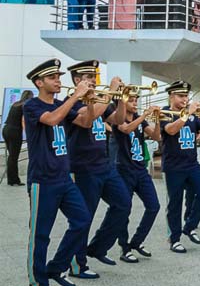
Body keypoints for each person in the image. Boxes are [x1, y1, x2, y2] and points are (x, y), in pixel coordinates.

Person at [23, 59, 93, 286]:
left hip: (64, 177)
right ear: (39, 82)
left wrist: (89, 101)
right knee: (40, 234)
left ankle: (55, 268)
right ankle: (37, 280)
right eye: (53, 78)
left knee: (82, 221)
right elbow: (52, 120)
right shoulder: (32, 106)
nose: (58, 81)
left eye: (59, 77)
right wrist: (75, 96)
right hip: (43, 180)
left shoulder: (59, 106)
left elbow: (87, 123)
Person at [63, 61, 130, 278]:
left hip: (104, 166)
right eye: (88, 76)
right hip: (83, 168)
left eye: (94, 75)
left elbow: (119, 120)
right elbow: (88, 119)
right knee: (84, 217)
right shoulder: (70, 103)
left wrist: (121, 97)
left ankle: (98, 248)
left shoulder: (101, 99)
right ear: (76, 80)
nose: (93, 80)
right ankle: (76, 264)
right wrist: (110, 92)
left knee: (123, 204)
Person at [159, 81, 200, 253]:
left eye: (186, 96)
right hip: (173, 166)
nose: (185, 99)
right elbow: (171, 130)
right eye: (181, 96)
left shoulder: (192, 115)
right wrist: (186, 113)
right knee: (175, 203)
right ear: (171, 96)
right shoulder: (164, 113)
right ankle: (174, 239)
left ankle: (189, 226)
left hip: (191, 163)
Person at [112, 90, 161, 264]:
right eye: (130, 100)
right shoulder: (118, 119)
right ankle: (124, 248)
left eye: (135, 100)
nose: (134, 103)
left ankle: (136, 242)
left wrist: (157, 120)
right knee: (125, 210)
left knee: (154, 206)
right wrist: (144, 116)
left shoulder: (140, 118)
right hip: (124, 169)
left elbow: (156, 136)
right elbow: (125, 129)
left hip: (140, 169)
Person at [3, 89, 31, 186]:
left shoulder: (16, 104)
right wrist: (28, 135)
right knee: (13, 157)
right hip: (14, 131)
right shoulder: (25, 105)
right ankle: (13, 180)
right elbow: (24, 121)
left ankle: (12, 179)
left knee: (12, 156)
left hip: (6, 129)